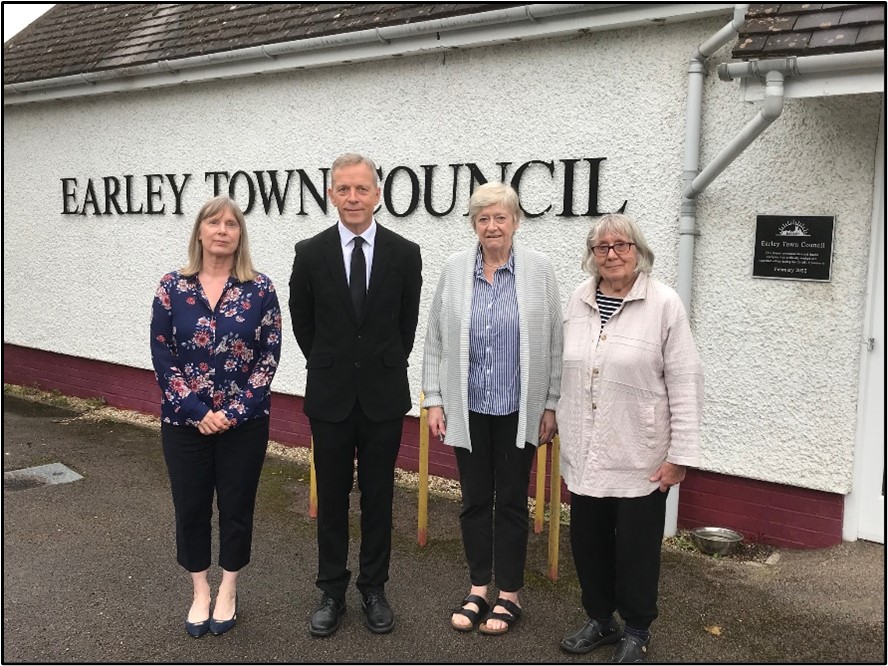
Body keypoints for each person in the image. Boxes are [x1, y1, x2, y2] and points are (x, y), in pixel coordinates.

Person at [557, 213, 703, 662]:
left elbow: (685, 379)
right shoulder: (580, 299)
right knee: (588, 544)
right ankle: (601, 620)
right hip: (585, 451)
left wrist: (681, 455)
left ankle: (637, 629)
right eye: (602, 248)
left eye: (621, 245)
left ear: (638, 251)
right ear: (592, 256)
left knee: (637, 551)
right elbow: (564, 368)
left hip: (641, 454)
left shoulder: (664, 304)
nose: (612, 254)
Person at [288, 153, 422, 637]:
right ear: (331, 194)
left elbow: (405, 325)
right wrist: (331, 361)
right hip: (331, 396)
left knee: (380, 497)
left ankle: (374, 588)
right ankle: (330, 591)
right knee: (332, 498)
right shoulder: (310, 251)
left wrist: (378, 364)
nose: (352, 198)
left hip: (384, 397)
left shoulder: (405, 253)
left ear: (378, 194)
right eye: (343, 189)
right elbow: (303, 320)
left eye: (361, 189)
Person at [422, 182, 563, 636]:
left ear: (516, 221)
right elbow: (436, 339)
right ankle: (479, 586)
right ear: (473, 224)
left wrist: (551, 403)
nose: (492, 226)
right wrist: (435, 399)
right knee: (475, 501)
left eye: (500, 217)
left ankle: (510, 595)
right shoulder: (456, 268)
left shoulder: (538, 270)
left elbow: (555, 343)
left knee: (513, 505)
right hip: (470, 408)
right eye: (482, 218)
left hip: (518, 409)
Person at [150, 196, 282, 638]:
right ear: (200, 232)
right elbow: (162, 354)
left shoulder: (259, 289)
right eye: (214, 222)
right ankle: (199, 591)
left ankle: (228, 588)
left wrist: (231, 412)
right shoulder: (172, 287)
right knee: (190, 507)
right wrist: (197, 411)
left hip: (243, 424)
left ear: (240, 235)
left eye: (232, 223)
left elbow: (268, 357)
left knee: (236, 506)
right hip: (183, 424)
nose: (223, 230)